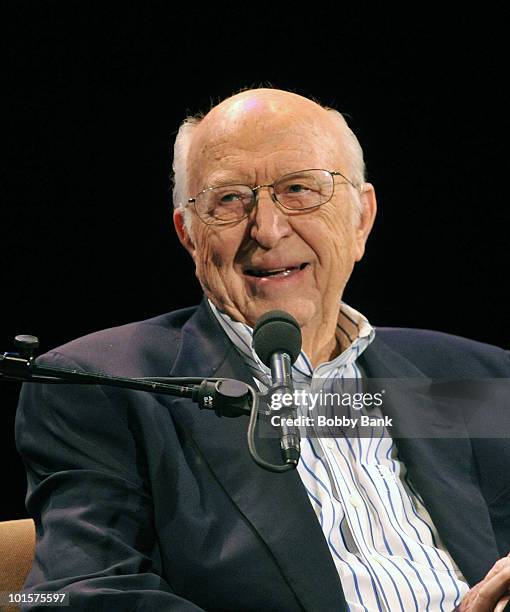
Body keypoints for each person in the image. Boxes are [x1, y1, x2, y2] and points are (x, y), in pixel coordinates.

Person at [16, 88, 510, 611]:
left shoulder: (476, 375)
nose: (268, 230)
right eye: (229, 199)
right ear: (189, 234)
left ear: (361, 218)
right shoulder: (105, 387)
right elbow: (79, 594)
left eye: (300, 189)